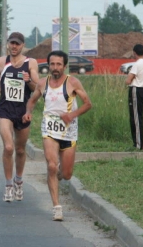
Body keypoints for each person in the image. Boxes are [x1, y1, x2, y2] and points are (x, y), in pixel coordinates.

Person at [22, 50, 92, 220]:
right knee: (52, 166)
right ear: (48, 65)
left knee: (66, 175)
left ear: (64, 66)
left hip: (69, 131)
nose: (55, 67)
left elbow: (88, 104)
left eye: (58, 64)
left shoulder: (73, 82)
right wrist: (28, 112)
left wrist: (71, 115)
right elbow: (32, 100)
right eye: (52, 64)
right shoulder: (42, 83)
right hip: (49, 129)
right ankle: (56, 206)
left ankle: (58, 174)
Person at [0, 31, 39, 202]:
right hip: (5, 109)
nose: (14, 46)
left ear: (22, 46)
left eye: (17, 44)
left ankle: (18, 180)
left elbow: (37, 88)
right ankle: (8, 185)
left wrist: (28, 81)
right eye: (11, 43)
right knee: (9, 147)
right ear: (7, 44)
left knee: (20, 150)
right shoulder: (0, 61)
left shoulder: (31, 63)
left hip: (23, 111)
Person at [125, 44, 143, 149]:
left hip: (135, 89)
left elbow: (128, 80)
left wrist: (127, 79)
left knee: (135, 118)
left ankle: (138, 144)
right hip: (142, 89)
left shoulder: (137, 64)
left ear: (134, 52)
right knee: (138, 116)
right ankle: (138, 142)